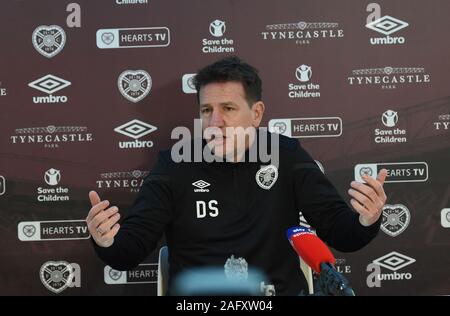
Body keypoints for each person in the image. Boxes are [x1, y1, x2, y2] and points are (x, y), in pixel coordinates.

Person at [87, 56, 387, 295]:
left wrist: (367, 219)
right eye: (206, 110)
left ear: (256, 114)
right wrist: (106, 241)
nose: (215, 121)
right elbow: (129, 251)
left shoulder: (286, 154)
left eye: (228, 108)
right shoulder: (173, 164)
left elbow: (340, 232)